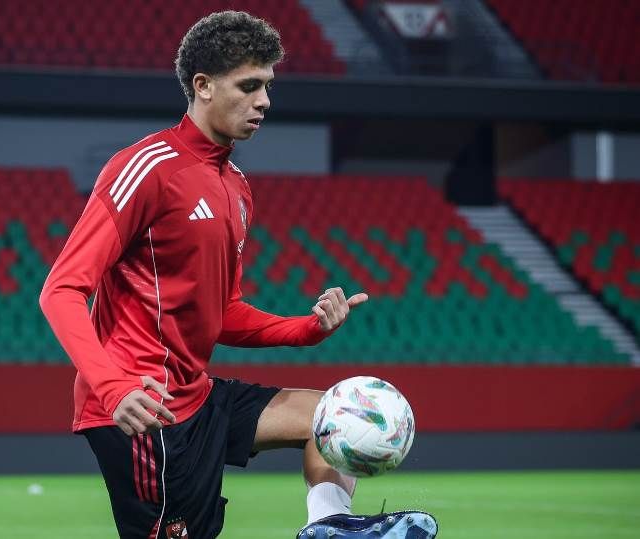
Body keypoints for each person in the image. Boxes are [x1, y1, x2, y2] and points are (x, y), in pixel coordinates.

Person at [40, 10, 437, 539]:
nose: (265, 101)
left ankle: (330, 526)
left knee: (334, 415)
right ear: (203, 86)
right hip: (145, 411)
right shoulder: (147, 168)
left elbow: (221, 312)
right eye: (249, 86)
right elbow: (62, 290)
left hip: (197, 396)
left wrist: (306, 329)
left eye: (268, 86)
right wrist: (112, 388)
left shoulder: (236, 187)